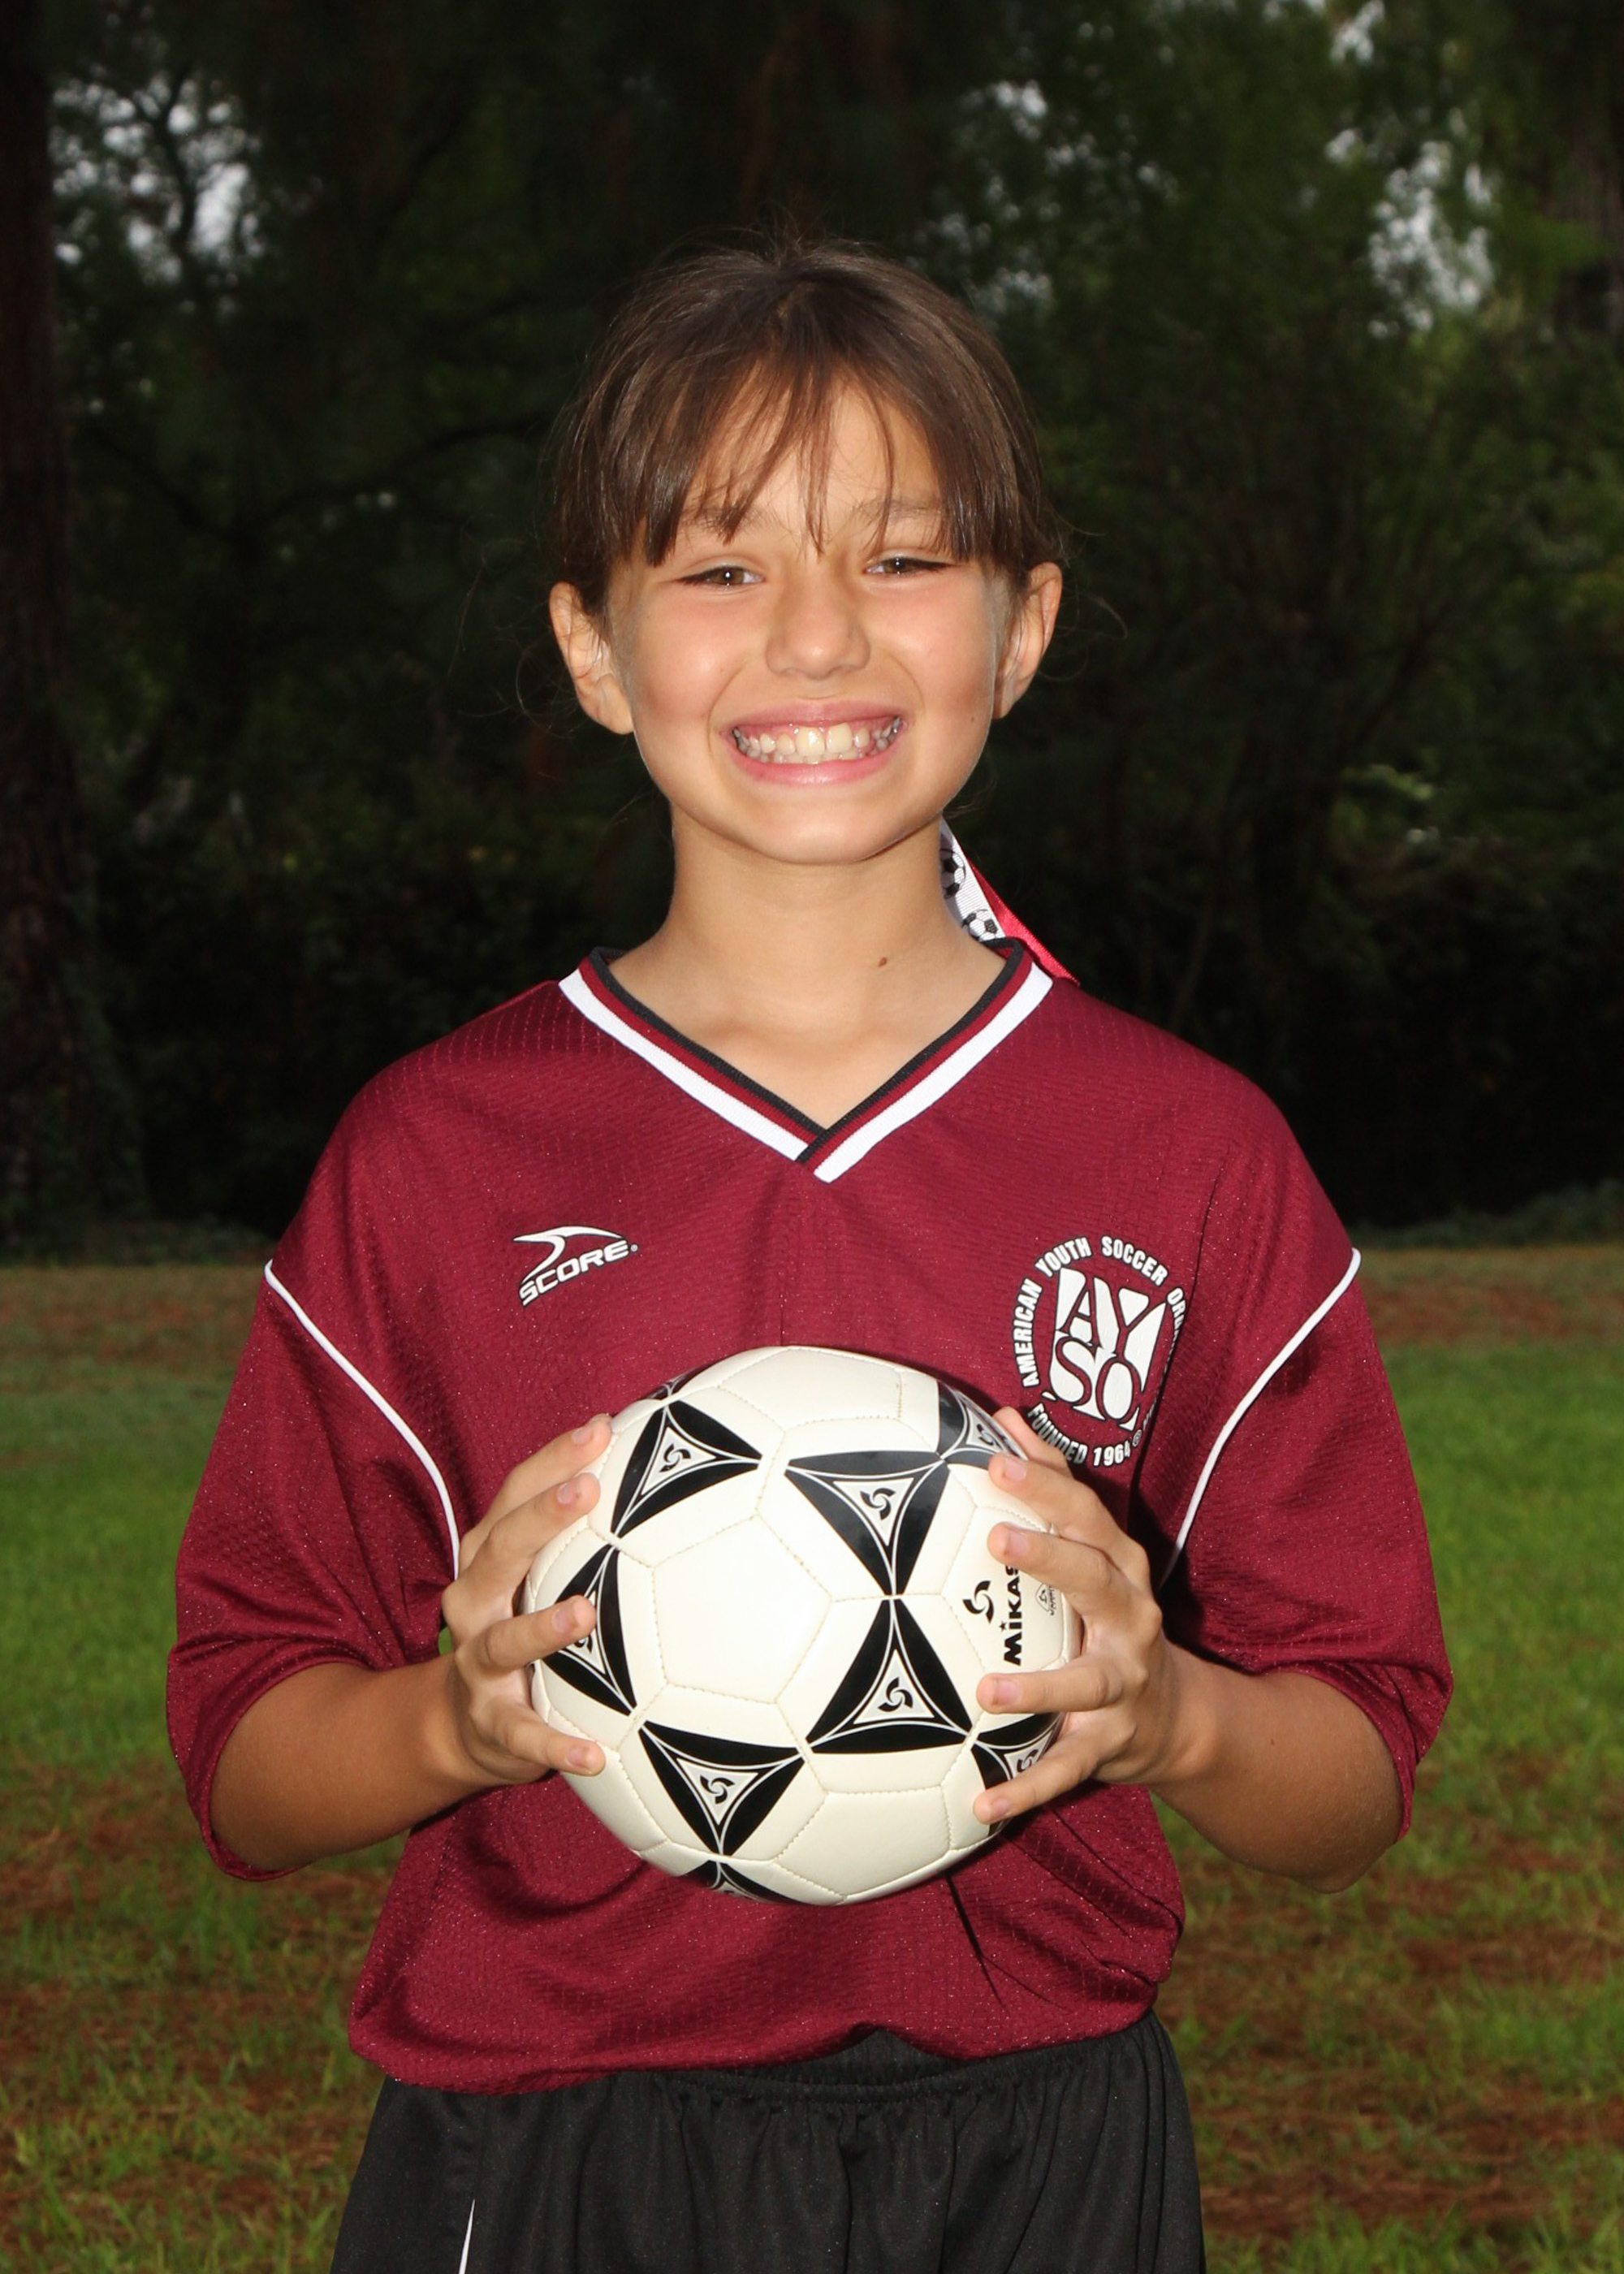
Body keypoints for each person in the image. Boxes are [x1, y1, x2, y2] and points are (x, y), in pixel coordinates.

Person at [168, 240, 1450, 2274]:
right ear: (593, 647)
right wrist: (455, 1722)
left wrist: (1173, 1716)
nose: (818, 633)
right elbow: (244, 1757)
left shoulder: (1189, 1153)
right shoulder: (440, 1152)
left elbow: (1356, 1764)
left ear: (1024, 625)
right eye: (719, 564)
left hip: (1050, 2155)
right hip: (563, 2138)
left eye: (904, 555)